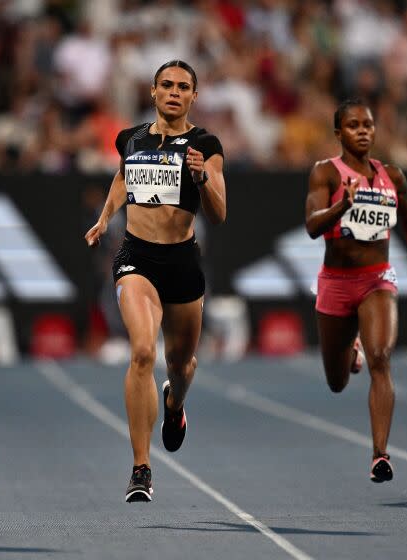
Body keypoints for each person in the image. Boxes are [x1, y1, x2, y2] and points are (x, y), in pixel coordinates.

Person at [84, 60, 226, 502]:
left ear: (194, 97)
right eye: (167, 84)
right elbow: (122, 180)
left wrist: (202, 177)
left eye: (184, 87)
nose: (174, 92)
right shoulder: (131, 139)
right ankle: (141, 468)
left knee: (181, 364)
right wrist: (105, 217)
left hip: (182, 262)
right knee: (143, 351)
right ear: (153, 91)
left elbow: (219, 213)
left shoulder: (205, 144)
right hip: (136, 258)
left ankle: (175, 405)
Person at [305, 99, 407, 483]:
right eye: (353, 125)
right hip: (336, 283)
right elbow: (312, 225)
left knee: (381, 357)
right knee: (337, 382)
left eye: (368, 124)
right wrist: (342, 207)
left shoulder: (393, 177)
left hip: (377, 280)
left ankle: (380, 455)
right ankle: (350, 348)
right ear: (339, 133)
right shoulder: (326, 174)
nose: (363, 131)